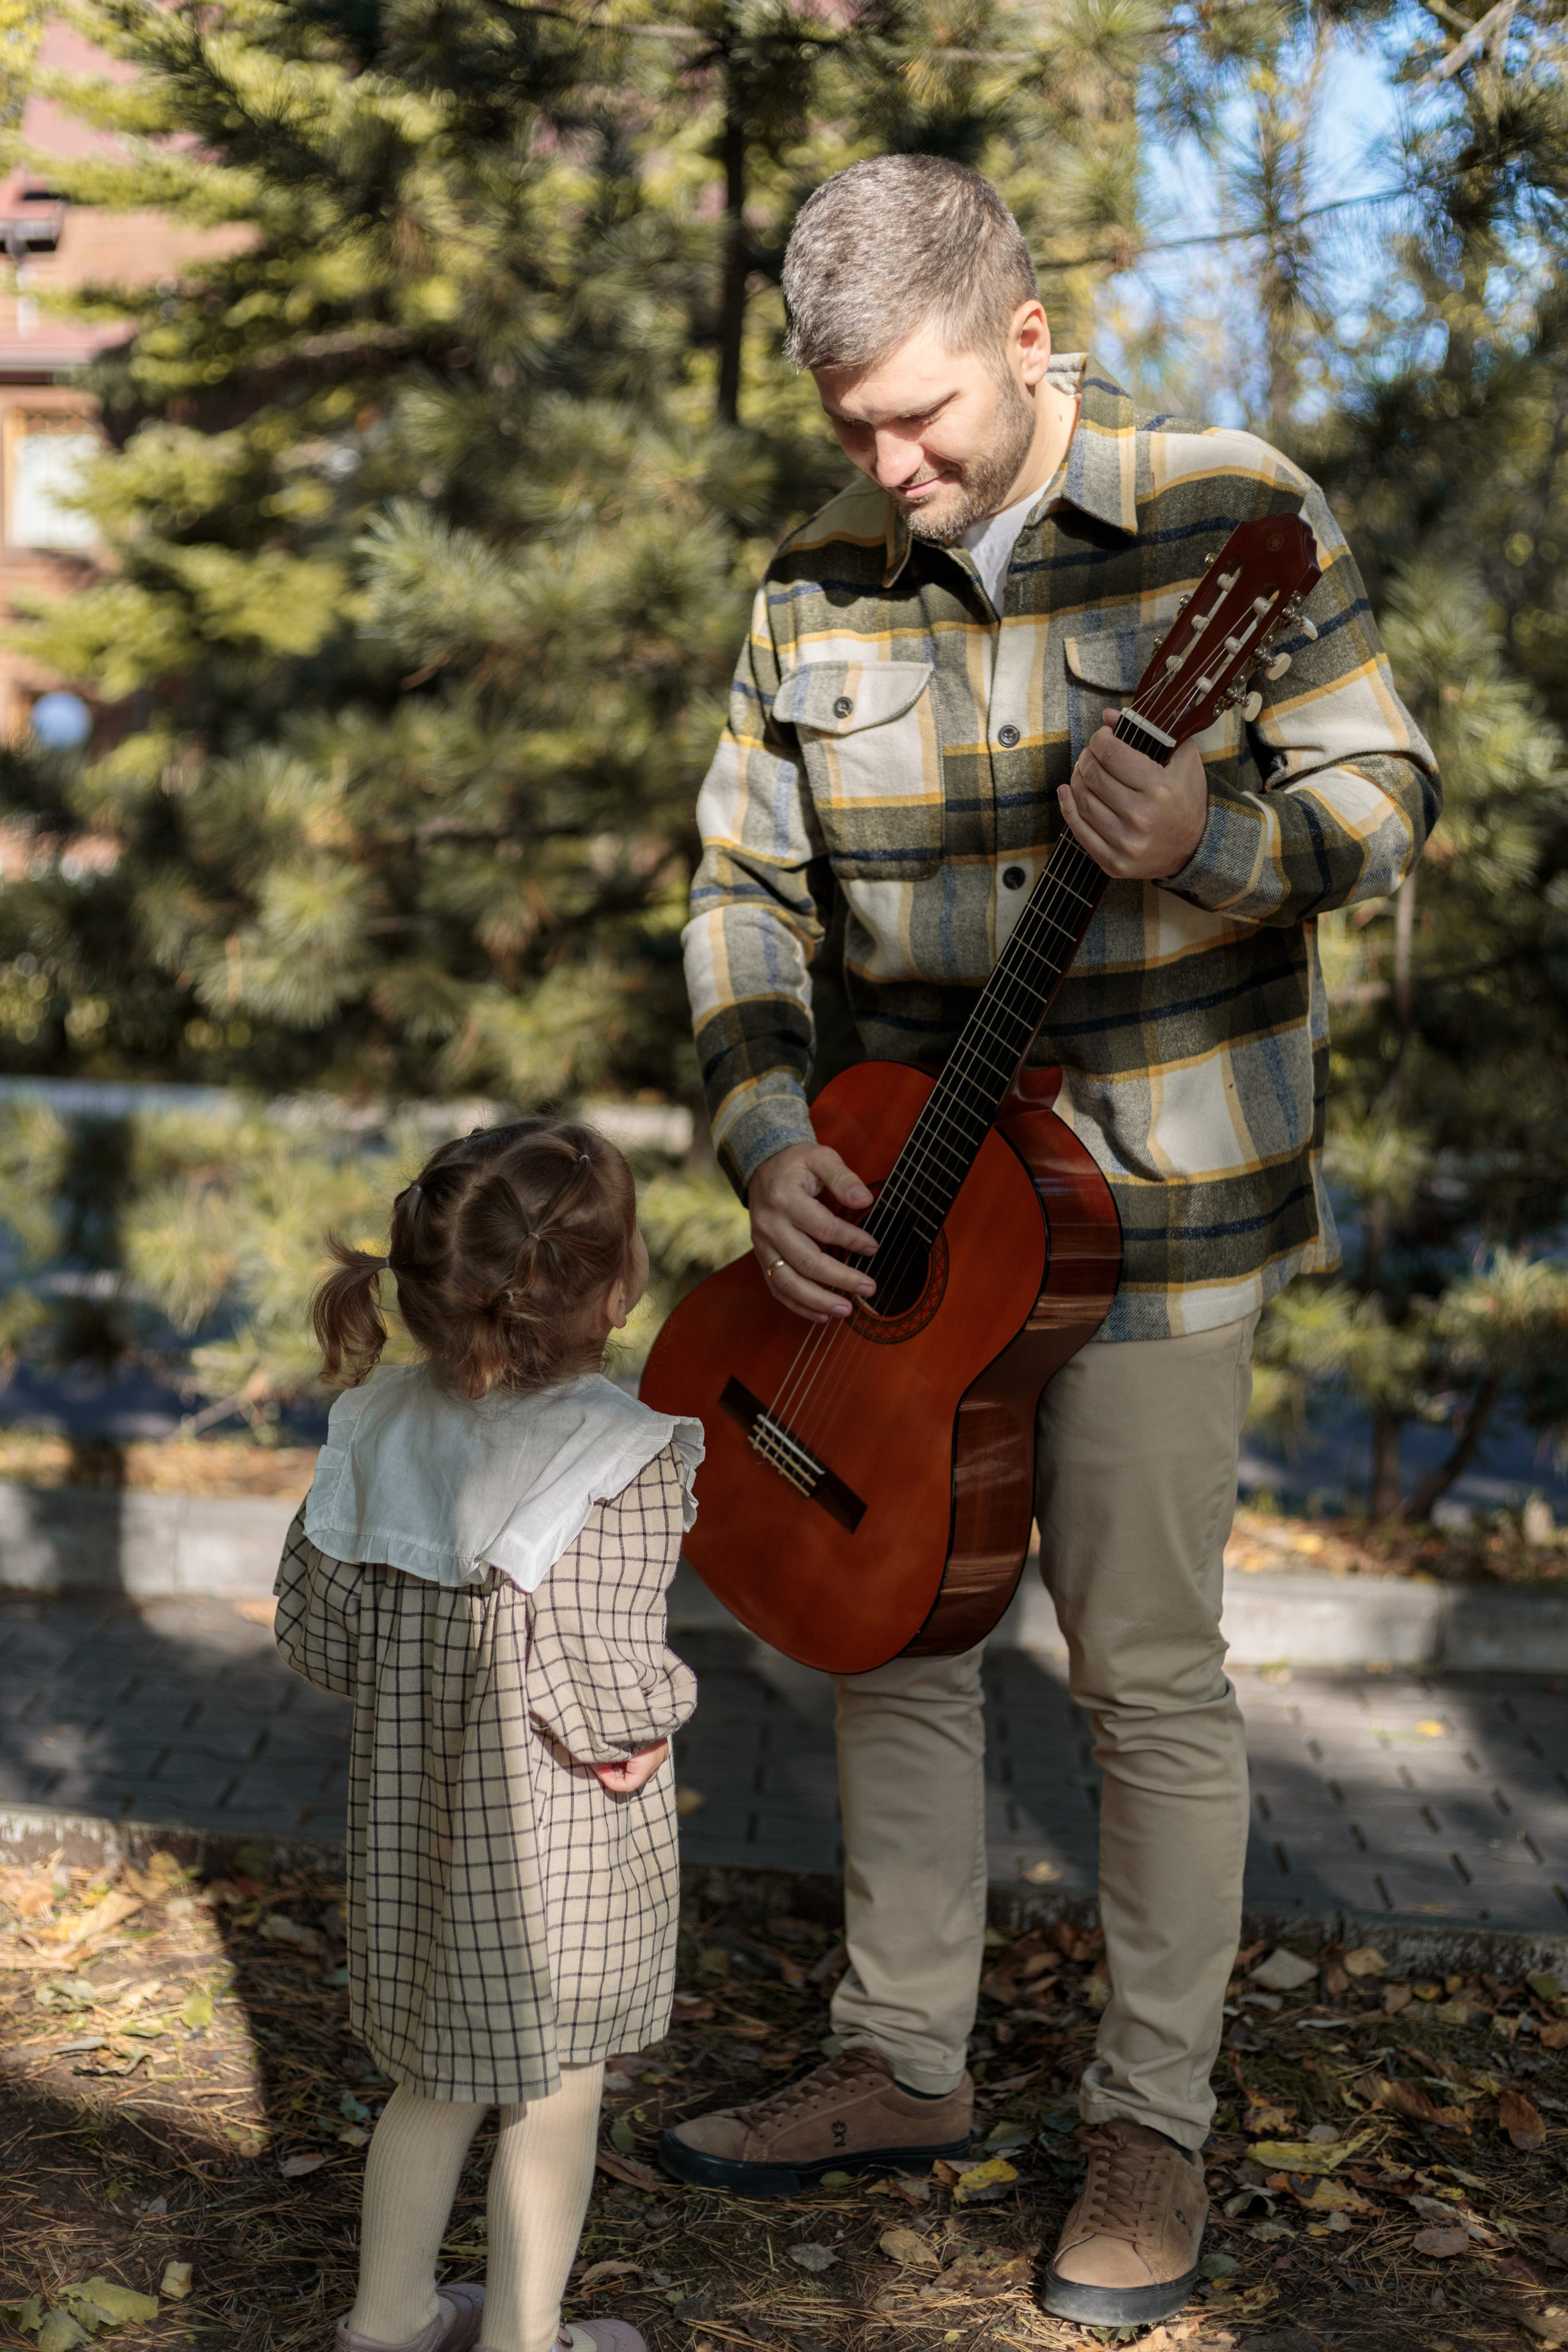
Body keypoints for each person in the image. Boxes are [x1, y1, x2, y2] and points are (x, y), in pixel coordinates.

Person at [663, 154, 1438, 2331]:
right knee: (894, 1633)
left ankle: (1148, 2124)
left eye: (923, 420)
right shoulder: (813, 587)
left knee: (1143, 1672)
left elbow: (1391, 795)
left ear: (1027, 337)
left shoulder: (1228, 512)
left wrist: (1219, 836)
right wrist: (756, 1131)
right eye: (853, 435)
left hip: (1166, 1222)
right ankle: (901, 2061)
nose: (894, 472)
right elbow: (741, 893)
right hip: (912, 1218)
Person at [271, 1118, 703, 2352]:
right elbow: (599, 1683)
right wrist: (644, 1731)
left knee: (433, 2082)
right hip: (559, 1844)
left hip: (417, 1827)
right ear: (614, 1285)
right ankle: (524, 2341)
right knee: (555, 2091)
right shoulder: (619, 1455)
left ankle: (389, 2322)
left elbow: (320, 1639)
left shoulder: (373, 1427)